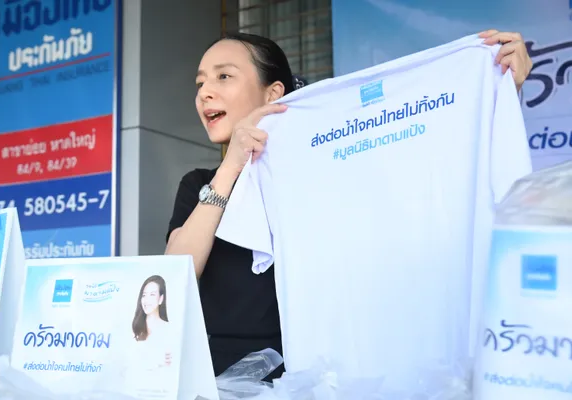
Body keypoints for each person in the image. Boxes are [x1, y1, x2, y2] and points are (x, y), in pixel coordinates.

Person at [165, 29, 533, 378]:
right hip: (216, 378)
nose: (205, 93)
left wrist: (496, 92)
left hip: (317, 376)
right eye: (200, 83)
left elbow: (437, 174)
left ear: (273, 93)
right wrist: (231, 167)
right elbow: (175, 274)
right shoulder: (200, 185)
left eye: (223, 77)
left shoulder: (325, 171)